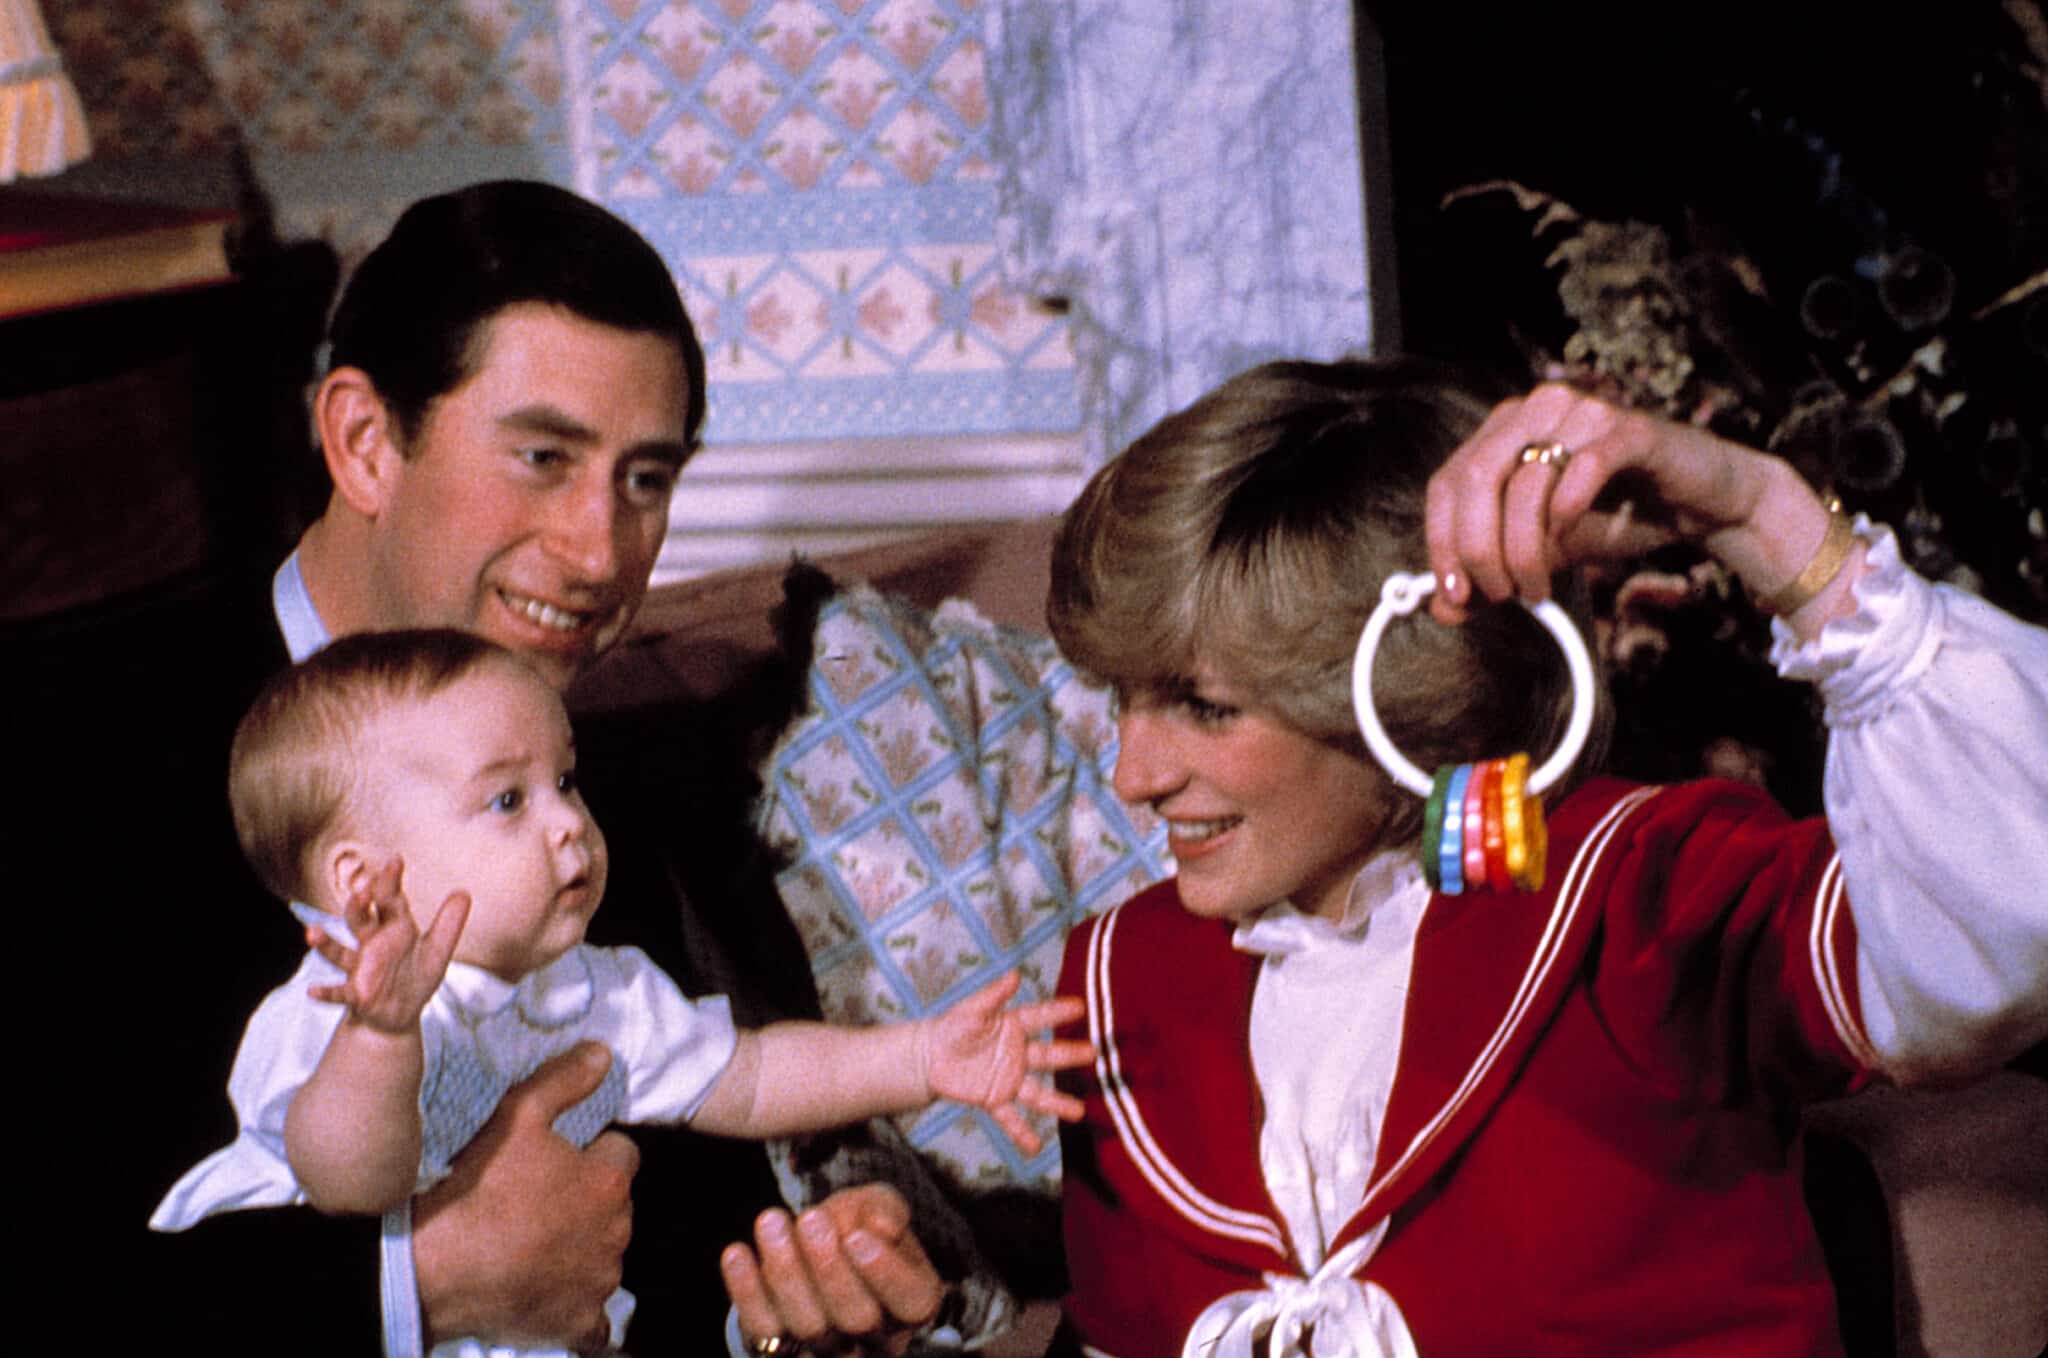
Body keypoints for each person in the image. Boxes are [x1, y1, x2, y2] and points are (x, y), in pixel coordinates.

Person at [19, 178, 954, 1354]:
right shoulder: (74, 764)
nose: (599, 550)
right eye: (542, 456)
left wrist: (796, 1303)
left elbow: (672, 1238)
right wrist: (411, 1287)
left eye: (645, 478)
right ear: (364, 442)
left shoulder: (595, 799)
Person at [1040, 357, 2048, 1356]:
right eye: (1121, 697)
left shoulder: (1642, 891)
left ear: (1399, 682)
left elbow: (2005, 915)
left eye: (1204, 707)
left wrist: (1757, 511)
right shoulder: (1115, 981)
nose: (1132, 774)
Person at [150, 628, 1087, 1357]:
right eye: (508, 801)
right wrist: (383, 1034)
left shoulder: (591, 989)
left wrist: (921, 1058)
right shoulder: (332, 1010)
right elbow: (346, 1177)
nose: (570, 824)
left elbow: (752, 1077)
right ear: (363, 886)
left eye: (565, 781)